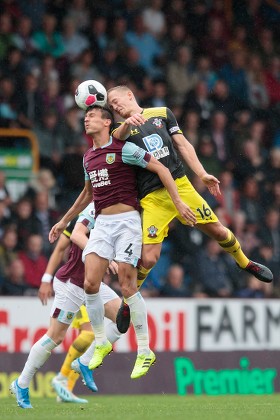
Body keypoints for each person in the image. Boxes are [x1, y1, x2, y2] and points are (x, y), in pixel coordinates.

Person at [107, 85, 273, 332]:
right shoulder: (119, 129)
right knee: (149, 258)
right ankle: (128, 301)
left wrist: (202, 173)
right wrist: (127, 123)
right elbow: (116, 139)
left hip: (181, 185)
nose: (114, 106)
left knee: (218, 231)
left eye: (115, 100)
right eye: (110, 106)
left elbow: (182, 145)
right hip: (153, 198)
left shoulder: (162, 113)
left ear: (130, 94)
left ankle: (245, 262)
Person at [48, 105, 196, 382]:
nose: (86, 118)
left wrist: (178, 202)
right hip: (102, 223)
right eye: (85, 115)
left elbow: (161, 169)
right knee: (90, 283)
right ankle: (102, 340)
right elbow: (86, 194)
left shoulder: (124, 149)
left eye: (92, 115)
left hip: (128, 222)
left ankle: (144, 350)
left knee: (128, 286)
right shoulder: (88, 157)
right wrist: (64, 221)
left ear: (107, 122)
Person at [10, 203, 122, 409]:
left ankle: (84, 362)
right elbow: (70, 240)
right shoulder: (93, 209)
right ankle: (22, 383)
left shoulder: (122, 216)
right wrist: (45, 278)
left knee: (124, 317)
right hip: (71, 284)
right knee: (55, 337)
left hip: (93, 284)